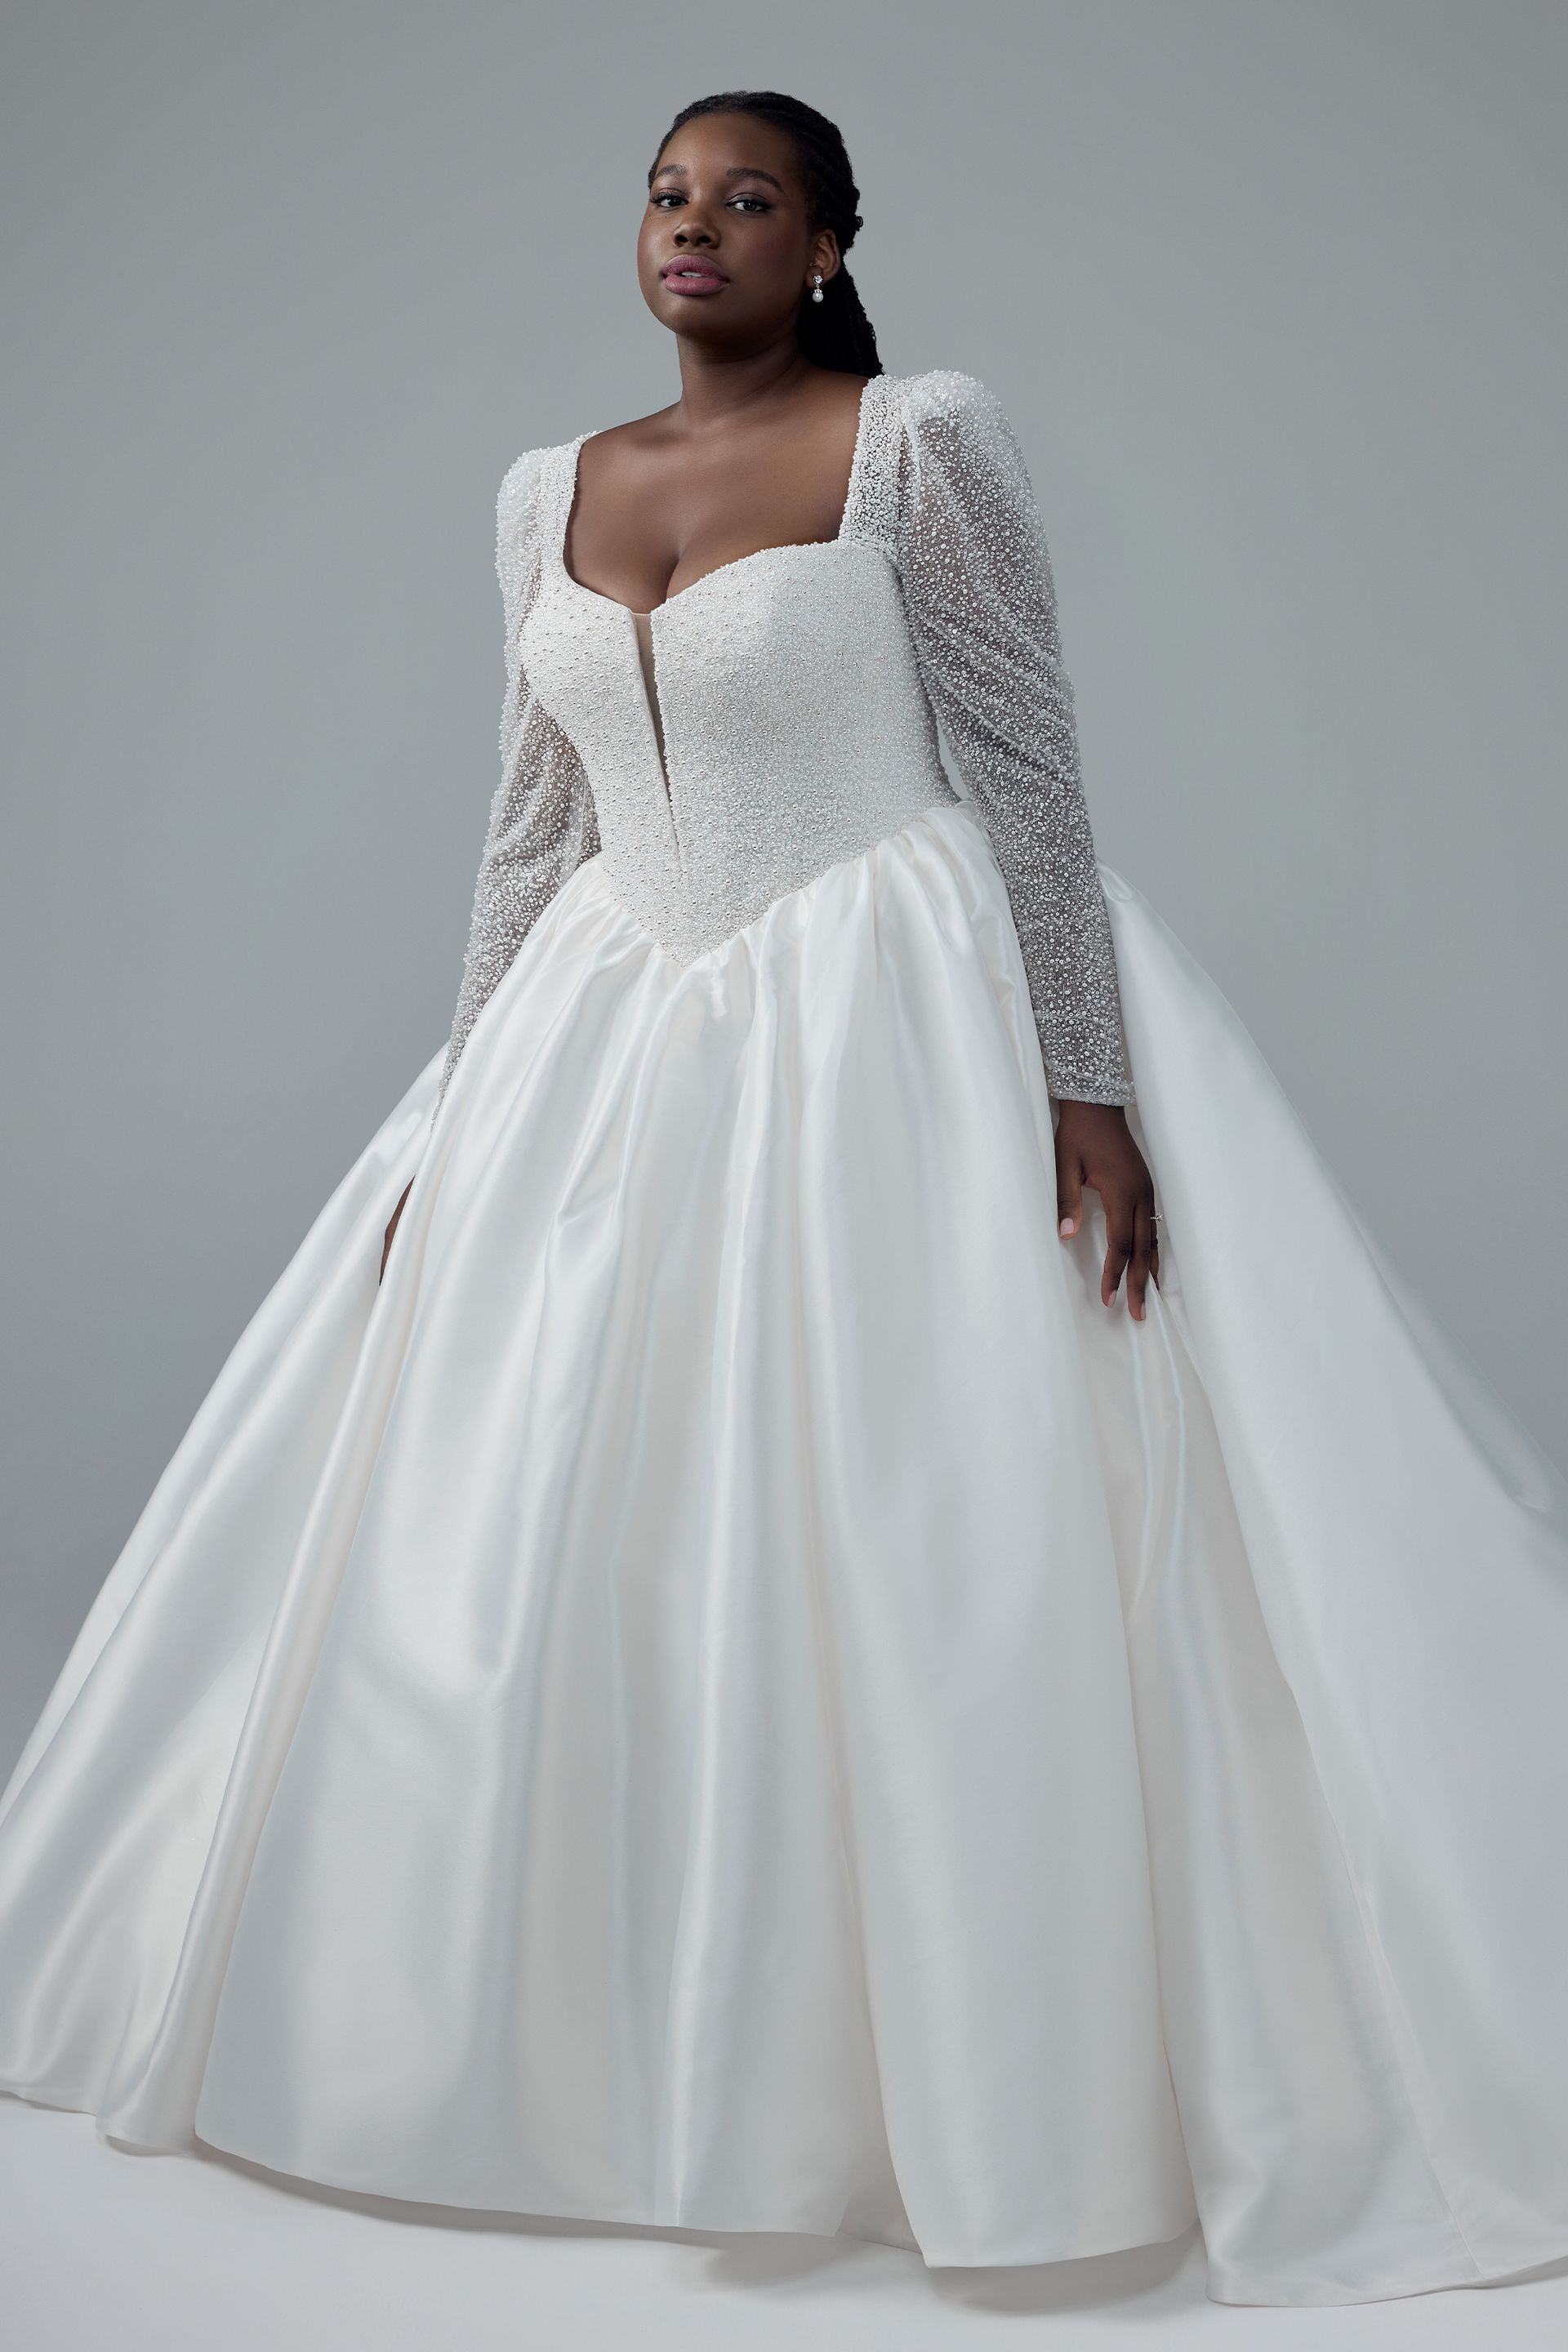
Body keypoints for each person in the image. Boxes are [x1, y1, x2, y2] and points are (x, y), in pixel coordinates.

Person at [2, 88, 1566, 2314]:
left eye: (749, 201)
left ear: (831, 242)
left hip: (889, 1007)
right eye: (668, 195)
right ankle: (575, 2060)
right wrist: (454, 1116)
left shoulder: (917, 440)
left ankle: (966, 2085)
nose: (697, 230)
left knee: (929, 1519)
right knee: (546, 1514)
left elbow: (1030, 760)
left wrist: (1082, 1079)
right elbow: (529, 835)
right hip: (599, 1031)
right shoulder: (551, 487)